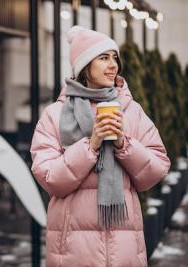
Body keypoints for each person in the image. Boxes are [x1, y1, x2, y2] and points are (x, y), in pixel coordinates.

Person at [30, 26, 170, 267]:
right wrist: (90, 145)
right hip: (73, 251)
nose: (113, 64)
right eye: (103, 58)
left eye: (114, 57)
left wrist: (122, 144)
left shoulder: (131, 111)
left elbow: (156, 169)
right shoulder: (55, 115)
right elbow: (49, 178)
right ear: (85, 66)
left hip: (124, 249)